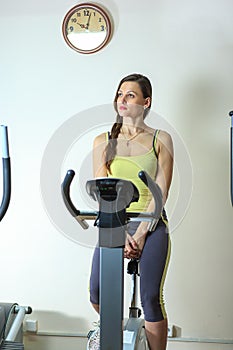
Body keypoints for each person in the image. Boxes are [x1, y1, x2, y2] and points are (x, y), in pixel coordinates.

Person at [87, 73, 173, 350]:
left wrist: (142, 233)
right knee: (98, 294)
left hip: (152, 222)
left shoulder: (161, 139)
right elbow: (103, 192)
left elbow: (161, 191)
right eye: (119, 94)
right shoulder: (103, 140)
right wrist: (121, 232)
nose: (122, 100)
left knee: (150, 299)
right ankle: (117, 336)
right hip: (114, 221)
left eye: (130, 95)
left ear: (146, 102)